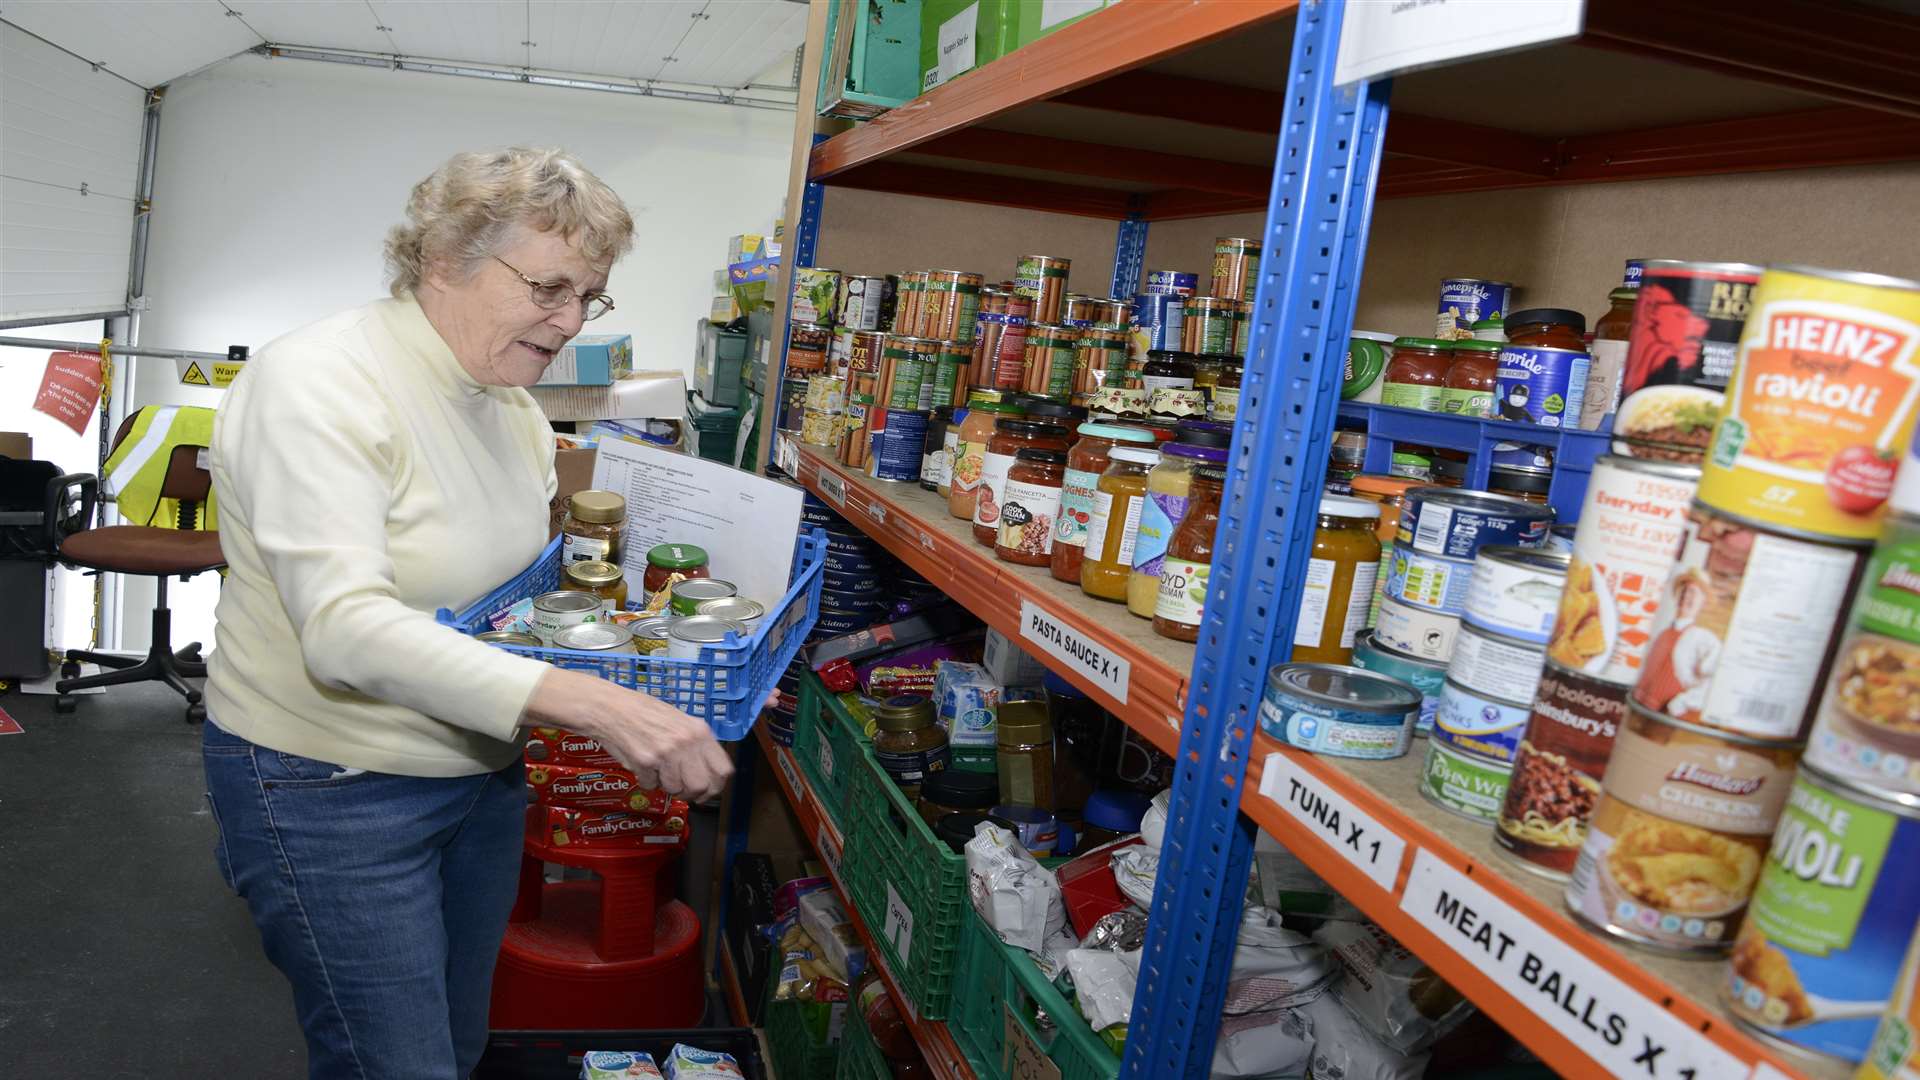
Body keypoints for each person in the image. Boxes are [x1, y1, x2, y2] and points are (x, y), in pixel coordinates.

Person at [201, 148, 733, 1079]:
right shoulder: (318, 384)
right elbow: (344, 631)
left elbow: (509, 600)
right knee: (394, 1065)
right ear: (444, 258)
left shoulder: (507, 405)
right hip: (329, 786)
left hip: (479, 775)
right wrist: (606, 708)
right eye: (550, 287)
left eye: (591, 296)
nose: (569, 321)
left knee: (455, 1043)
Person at [1635, 570, 1719, 720]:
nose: (1686, 596)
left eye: (1693, 592)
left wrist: (1681, 704)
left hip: (1664, 718)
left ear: (1703, 602)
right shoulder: (1662, 633)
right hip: (1637, 707)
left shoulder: (1701, 638)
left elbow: (1714, 679)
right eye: (1684, 590)